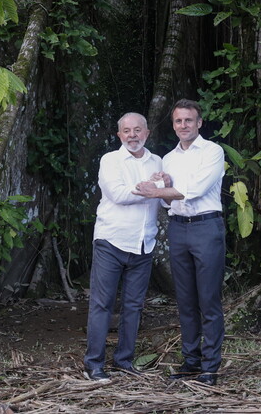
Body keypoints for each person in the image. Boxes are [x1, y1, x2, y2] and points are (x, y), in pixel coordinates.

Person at [133, 99, 225, 386]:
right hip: (178, 228)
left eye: (188, 120)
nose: (183, 126)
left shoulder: (213, 151)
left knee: (208, 300)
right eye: (178, 121)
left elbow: (193, 190)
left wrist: (155, 192)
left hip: (206, 227)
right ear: (173, 125)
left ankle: (210, 367)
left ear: (199, 123)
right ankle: (191, 362)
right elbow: (168, 192)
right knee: (184, 301)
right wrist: (159, 182)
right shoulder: (169, 159)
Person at [83, 112, 162, 381]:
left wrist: (155, 188)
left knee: (134, 306)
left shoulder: (158, 161)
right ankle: (94, 364)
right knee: (102, 304)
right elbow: (117, 194)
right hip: (111, 241)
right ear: (119, 135)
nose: (133, 135)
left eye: (138, 130)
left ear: (147, 132)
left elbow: (163, 200)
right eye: (127, 131)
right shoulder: (110, 160)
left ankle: (124, 360)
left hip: (143, 244)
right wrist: (153, 188)